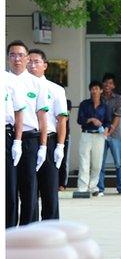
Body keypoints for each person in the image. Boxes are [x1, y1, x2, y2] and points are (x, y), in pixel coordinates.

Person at [6, 40, 49, 226]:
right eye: (13, 55)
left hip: (30, 139)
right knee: (8, 189)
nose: (17, 59)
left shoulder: (36, 83)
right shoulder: (4, 80)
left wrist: (44, 146)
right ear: (8, 58)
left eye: (21, 55)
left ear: (27, 58)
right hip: (8, 138)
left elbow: (42, 118)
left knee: (29, 190)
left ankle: (27, 233)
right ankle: (8, 233)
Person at [27, 48, 68, 220]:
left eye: (36, 62)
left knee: (49, 189)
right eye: (29, 61)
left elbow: (62, 120)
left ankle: (51, 230)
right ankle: (31, 230)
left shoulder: (55, 89)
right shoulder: (20, 87)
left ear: (45, 65)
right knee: (29, 191)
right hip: (28, 140)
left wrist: (60, 146)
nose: (32, 65)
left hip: (50, 141)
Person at [76, 80, 114, 196]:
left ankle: (93, 187)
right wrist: (91, 119)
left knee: (97, 163)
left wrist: (106, 129)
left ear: (101, 91)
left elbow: (108, 121)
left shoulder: (105, 106)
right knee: (84, 161)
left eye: (97, 88)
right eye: (92, 89)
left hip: (99, 136)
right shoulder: (84, 104)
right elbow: (79, 120)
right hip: (86, 134)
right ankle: (82, 187)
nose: (94, 91)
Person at [96, 72, 121, 194]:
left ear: (114, 86)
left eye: (110, 83)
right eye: (105, 83)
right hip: (99, 134)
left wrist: (109, 131)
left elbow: (118, 117)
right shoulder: (98, 97)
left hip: (114, 135)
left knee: (118, 163)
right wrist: (103, 132)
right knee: (100, 162)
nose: (107, 85)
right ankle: (100, 188)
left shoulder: (118, 98)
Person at [5, 73, 25, 228]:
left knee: (9, 187)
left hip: (6, 134)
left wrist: (17, 141)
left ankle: (9, 229)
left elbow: (19, 112)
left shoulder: (10, 80)